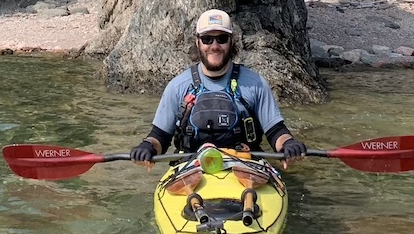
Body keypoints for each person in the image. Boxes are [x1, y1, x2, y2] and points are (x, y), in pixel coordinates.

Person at [129, 8, 306, 163]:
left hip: (245, 166)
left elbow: (276, 132)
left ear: (231, 41)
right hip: (192, 169)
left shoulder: (255, 84)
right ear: (198, 42)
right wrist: (147, 146)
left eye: (221, 38)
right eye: (207, 39)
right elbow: (159, 137)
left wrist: (288, 144)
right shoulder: (178, 86)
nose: (214, 46)